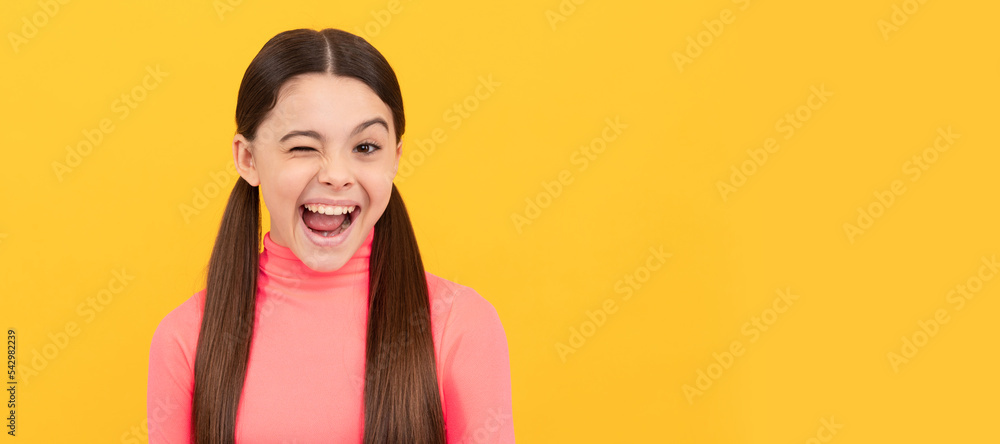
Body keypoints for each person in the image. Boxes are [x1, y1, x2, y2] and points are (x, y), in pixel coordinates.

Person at [146, 28, 515, 443]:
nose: (336, 176)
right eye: (303, 147)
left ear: (395, 158)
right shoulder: (185, 338)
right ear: (248, 159)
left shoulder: (460, 324)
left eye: (365, 147)